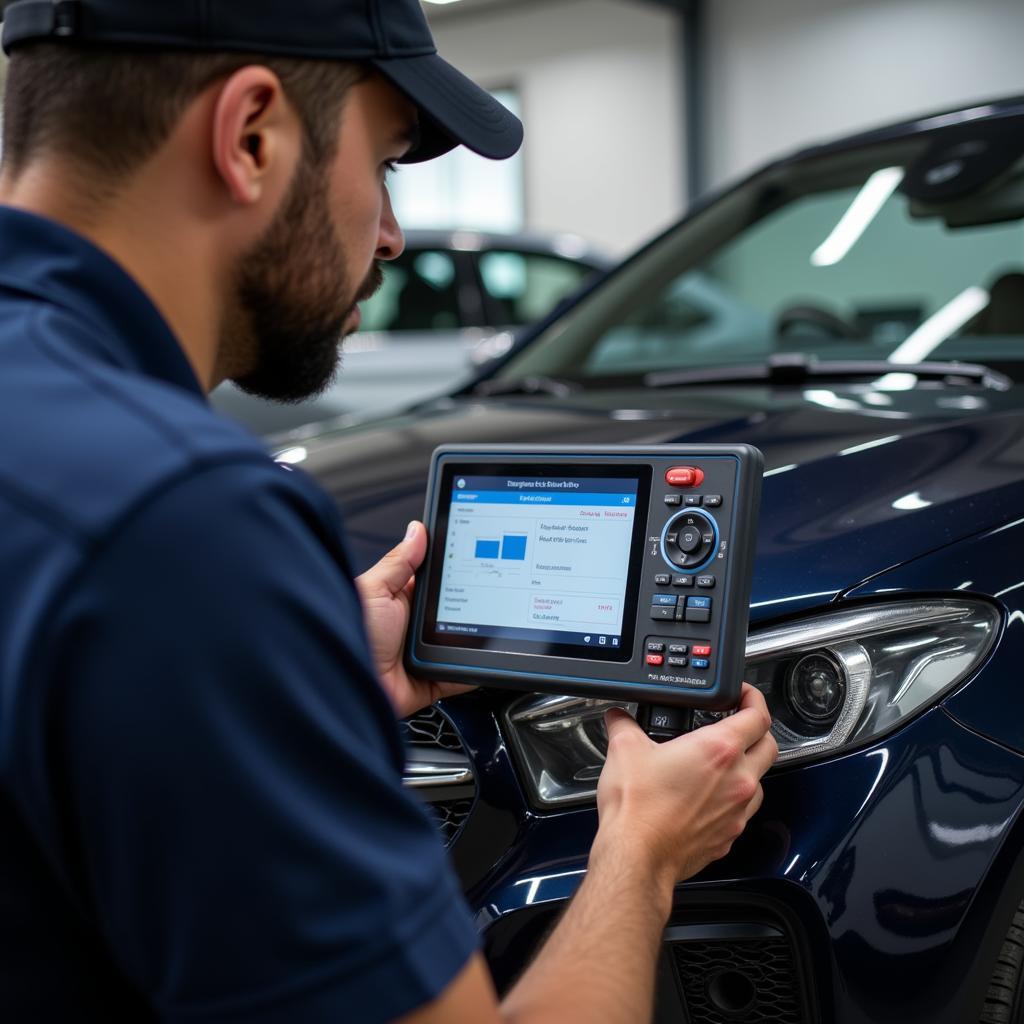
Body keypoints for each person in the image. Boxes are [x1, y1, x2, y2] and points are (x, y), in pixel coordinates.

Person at [0, 1, 777, 1021]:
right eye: (388, 160)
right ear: (252, 138)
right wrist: (640, 856)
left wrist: (309, 691)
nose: (396, 234)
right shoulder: (185, 527)